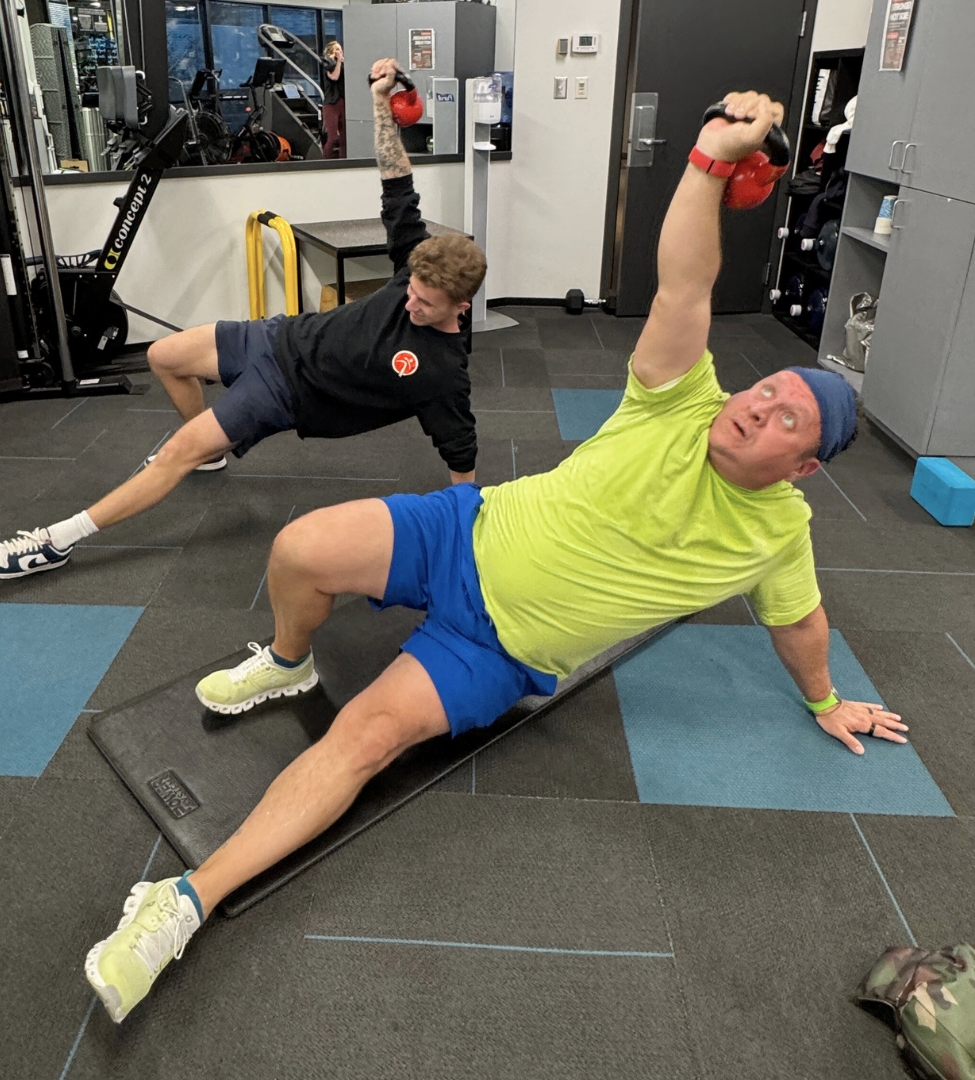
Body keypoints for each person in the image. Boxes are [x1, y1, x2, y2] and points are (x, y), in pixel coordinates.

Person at [84, 91, 909, 1023]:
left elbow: (799, 619)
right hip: (465, 531)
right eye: (764, 391)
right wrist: (708, 163)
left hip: (496, 650)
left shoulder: (778, 536)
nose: (756, 407)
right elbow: (684, 283)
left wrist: (827, 699)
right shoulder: (680, 400)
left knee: (364, 736)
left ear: (802, 466)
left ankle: (181, 905)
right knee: (299, 547)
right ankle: (285, 662)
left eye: (784, 419)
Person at [0, 58, 483, 580]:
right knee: (163, 357)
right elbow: (396, 182)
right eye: (410, 291)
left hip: (289, 390)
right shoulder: (415, 259)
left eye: (425, 304)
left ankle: (56, 541)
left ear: (460, 307)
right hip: (277, 336)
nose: (411, 304)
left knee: (174, 453)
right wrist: (379, 103)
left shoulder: (442, 371)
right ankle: (209, 451)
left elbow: (460, 453)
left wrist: (469, 540)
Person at [321, 40, 346, 159]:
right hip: (331, 104)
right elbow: (334, 77)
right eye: (337, 50)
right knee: (333, 137)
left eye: (340, 50)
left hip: (343, 102)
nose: (339, 52)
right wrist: (339, 62)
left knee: (344, 137)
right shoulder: (328, 63)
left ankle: (344, 161)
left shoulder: (344, 65)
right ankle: (325, 161)